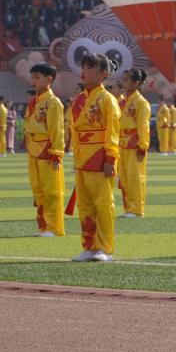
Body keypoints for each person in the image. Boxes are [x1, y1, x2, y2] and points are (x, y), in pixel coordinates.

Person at [69, 54, 121, 262]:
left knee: (103, 204)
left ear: (102, 74)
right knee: (85, 205)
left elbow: (112, 131)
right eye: (83, 67)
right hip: (81, 159)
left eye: (90, 68)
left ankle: (105, 248)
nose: (84, 71)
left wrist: (110, 158)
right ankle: (89, 246)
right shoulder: (79, 99)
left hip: (99, 157)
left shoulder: (107, 99)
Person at [25, 62, 65, 237]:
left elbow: (57, 129)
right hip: (33, 150)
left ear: (49, 80)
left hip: (46, 150)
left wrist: (56, 153)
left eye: (37, 77)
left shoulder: (53, 102)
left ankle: (54, 227)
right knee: (38, 190)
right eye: (32, 77)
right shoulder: (34, 101)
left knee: (51, 190)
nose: (33, 81)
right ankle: (43, 226)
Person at [118, 68, 150, 218]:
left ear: (136, 83)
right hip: (121, 142)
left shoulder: (141, 102)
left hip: (134, 142)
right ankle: (128, 208)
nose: (123, 83)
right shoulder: (122, 100)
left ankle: (136, 209)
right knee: (124, 176)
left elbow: (143, 125)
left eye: (126, 80)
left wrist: (143, 145)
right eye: (123, 80)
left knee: (135, 177)